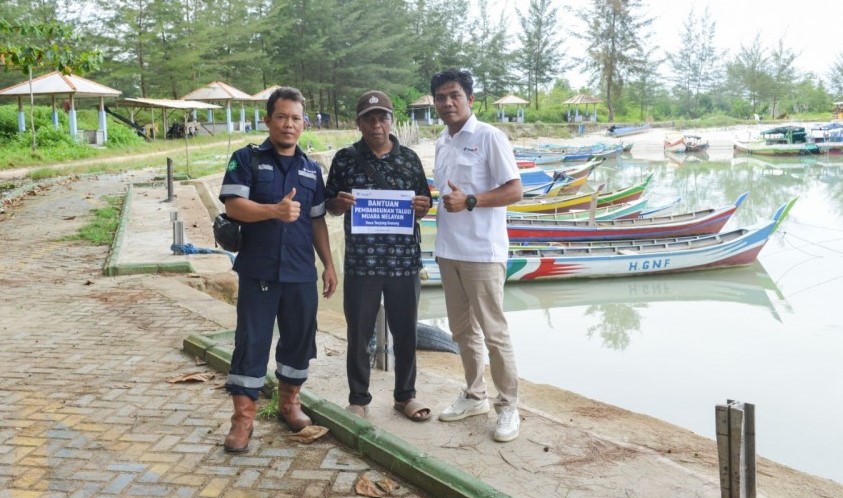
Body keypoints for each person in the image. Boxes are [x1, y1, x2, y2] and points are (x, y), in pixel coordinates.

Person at [219, 86, 338, 453]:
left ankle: (289, 404)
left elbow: (317, 221)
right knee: (251, 342)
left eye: (296, 118)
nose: (289, 124)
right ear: (268, 120)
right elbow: (234, 206)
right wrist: (273, 210)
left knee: (300, 340)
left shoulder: (310, 169)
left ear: (304, 123)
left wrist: (329, 265)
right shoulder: (247, 159)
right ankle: (243, 419)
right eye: (282, 117)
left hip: (301, 271)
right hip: (260, 270)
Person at [325, 90, 433, 422]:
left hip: (403, 264)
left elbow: (425, 203)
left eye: (382, 117)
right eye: (369, 118)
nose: (376, 125)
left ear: (391, 120)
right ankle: (358, 398)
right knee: (359, 333)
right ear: (359, 123)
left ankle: (406, 396)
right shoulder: (344, 159)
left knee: (406, 332)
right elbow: (328, 205)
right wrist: (339, 204)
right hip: (362, 264)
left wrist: (422, 207)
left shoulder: (410, 159)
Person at [430, 69, 524, 442]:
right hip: (447, 251)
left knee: (494, 334)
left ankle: (509, 407)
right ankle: (474, 395)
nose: (448, 103)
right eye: (441, 97)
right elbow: (444, 194)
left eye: (454, 95)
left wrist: (471, 200)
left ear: (469, 98)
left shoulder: (489, 137)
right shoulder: (441, 142)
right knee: (462, 332)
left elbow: (515, 190)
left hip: (483, 253)